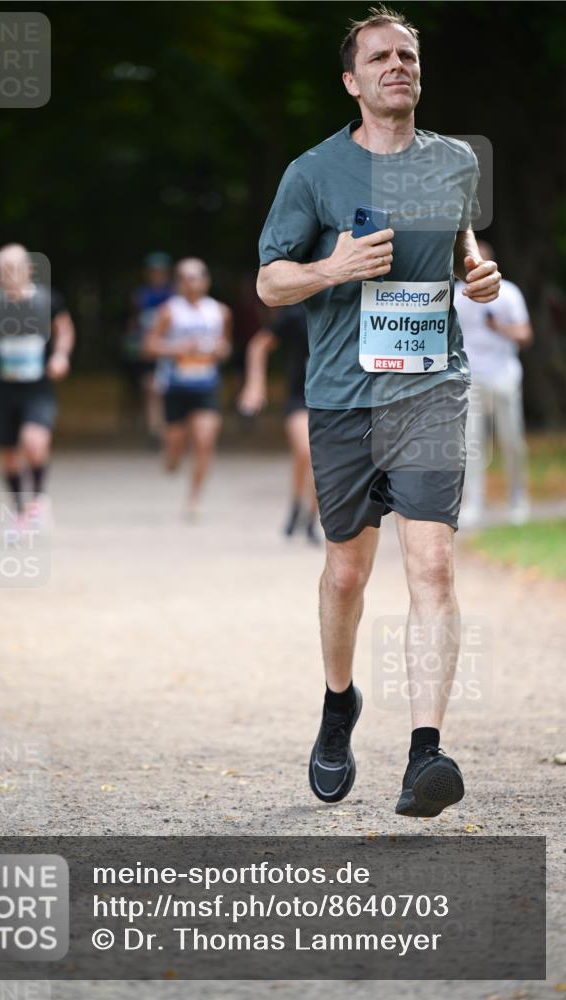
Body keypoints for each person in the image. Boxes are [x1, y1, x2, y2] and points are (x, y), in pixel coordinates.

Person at [256, 7, 501, 817]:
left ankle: (425, 754)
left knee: (430, 565)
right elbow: (268, 282)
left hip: (430, 389)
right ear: (351, 81)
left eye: (408, 55)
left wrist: (476, 268)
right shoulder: (313, 172)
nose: (397, 65)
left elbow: (461, 236)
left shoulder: (455, 161)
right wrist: (331, 268)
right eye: (380, 57)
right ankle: (337, 706)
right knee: (346, 572)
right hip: (341, 398)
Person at [0, 244, 75, 529]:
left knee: (34, 441)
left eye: (14, 269)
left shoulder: (46, 300)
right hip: (5, 387)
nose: (9, 275)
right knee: (9, 455)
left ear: (28, 270)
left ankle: (39, 501)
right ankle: (18, 512)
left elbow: (64, 330)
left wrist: (60, 356)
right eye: (3, 270)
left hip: (37, 386)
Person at [143, 258, 232, 518]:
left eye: (195, 277)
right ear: (178, 282)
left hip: (206, 385)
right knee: (175, 446)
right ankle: (171, 456)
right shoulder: (169, 311)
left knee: (205, 441)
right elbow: (149, 345)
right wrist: (178, 349)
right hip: (176, 386)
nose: (190, 283)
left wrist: (219, 350)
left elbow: (226, 347)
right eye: (184, 278)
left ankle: (194, 498)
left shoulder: (220, 312)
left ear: (206, 281)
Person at [455, 241, 533, 526]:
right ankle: (474, 502)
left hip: (504, 376)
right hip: (471, 378)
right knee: (472, 443)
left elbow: (525, 334)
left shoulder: (508, 294)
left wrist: (498, 327)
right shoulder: (455, 296)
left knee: (511, 439)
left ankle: (518, 498)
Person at [238, 304, 320, 543]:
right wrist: (255, 385)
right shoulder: (299, 312)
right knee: (306, 452)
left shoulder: (357, 305)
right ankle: (296, 503)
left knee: (318, 460)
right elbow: (258, 345)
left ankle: (311, 518)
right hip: (300, 398)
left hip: (337, 399)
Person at [122, 252, 173, 446]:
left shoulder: (174, 294)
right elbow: (133, 323)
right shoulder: (140, 295)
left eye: (160, 271)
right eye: (153, 271)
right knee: (150, 388)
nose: (156, 275)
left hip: (169, 349)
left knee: (164, 390)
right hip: (147, 351)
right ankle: (155, 430)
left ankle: (166, 428)